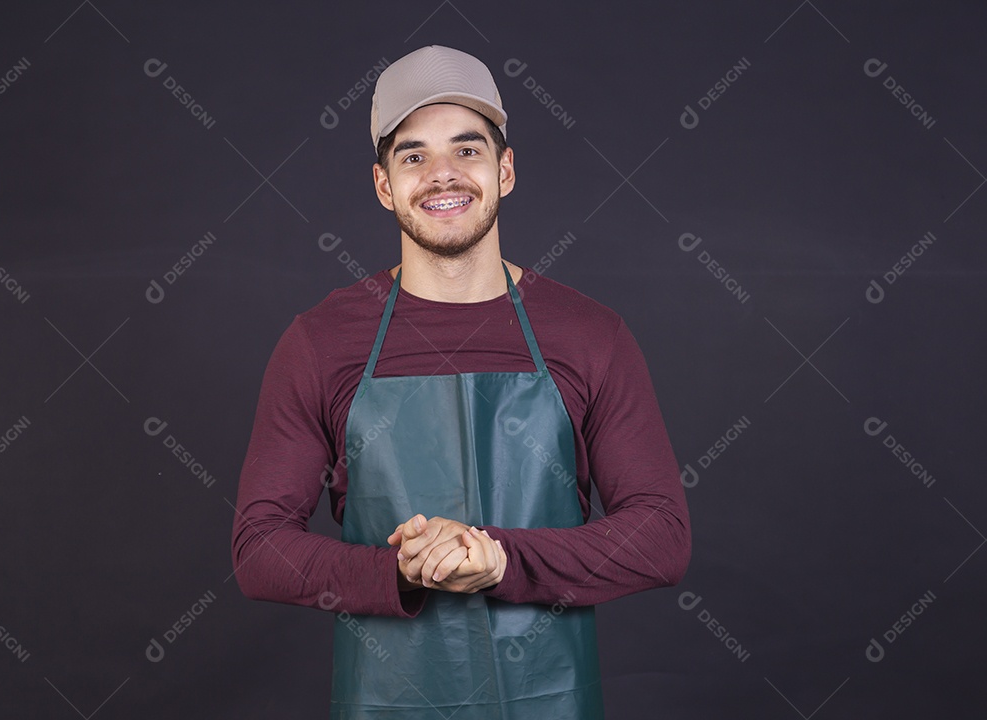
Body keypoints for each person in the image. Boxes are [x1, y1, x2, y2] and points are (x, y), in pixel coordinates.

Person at [231, 44, 691, 719]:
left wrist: (501, 561)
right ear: (385, 184)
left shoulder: (591, 335)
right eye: (414, 155)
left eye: (467, 150)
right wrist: (400, 570)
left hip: (548, 701)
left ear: (504, 170)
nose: (442, 175)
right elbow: (259, 549)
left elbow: (661, 537)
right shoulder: (320, 343)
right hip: (385, 702)